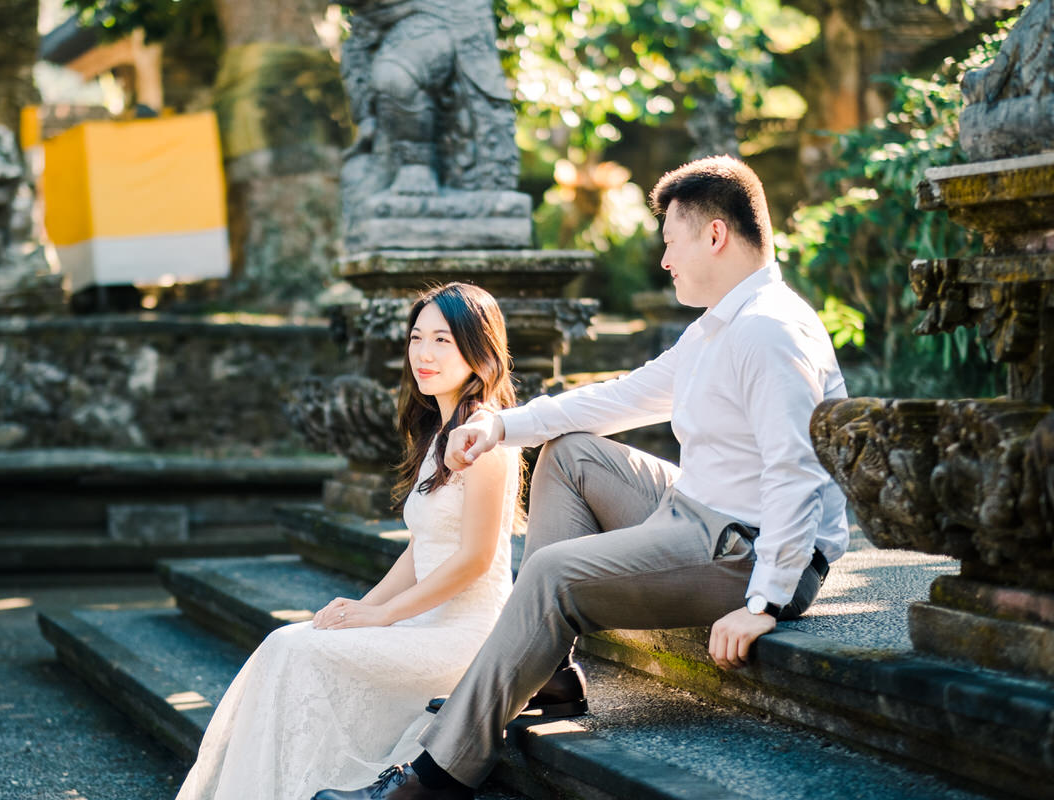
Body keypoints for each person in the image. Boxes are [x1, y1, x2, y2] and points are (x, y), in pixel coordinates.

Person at [312, 155, 850, 800]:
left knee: (551, 570)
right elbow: (628, 396)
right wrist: (502, 428)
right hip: (699, 511)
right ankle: (551, 675)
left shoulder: (768, 331)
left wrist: (764, 602)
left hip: (751, 549)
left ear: (714, 235)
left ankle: (433, 781)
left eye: (671, 242)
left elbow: (799, 472)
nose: (665, 261)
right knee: (569, 453)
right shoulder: (719, 328)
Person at [176, 282, 524, 800]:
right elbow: (420, 550)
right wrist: (362, 608)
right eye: (416, 338)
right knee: (297, 642)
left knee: (295, 651)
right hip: (424, 620)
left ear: (480, 350)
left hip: (466, 636)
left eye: (443, 341)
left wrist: (384, 617)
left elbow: (474, 560)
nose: (424, 355)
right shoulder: (438, 434)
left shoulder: (487, 440)